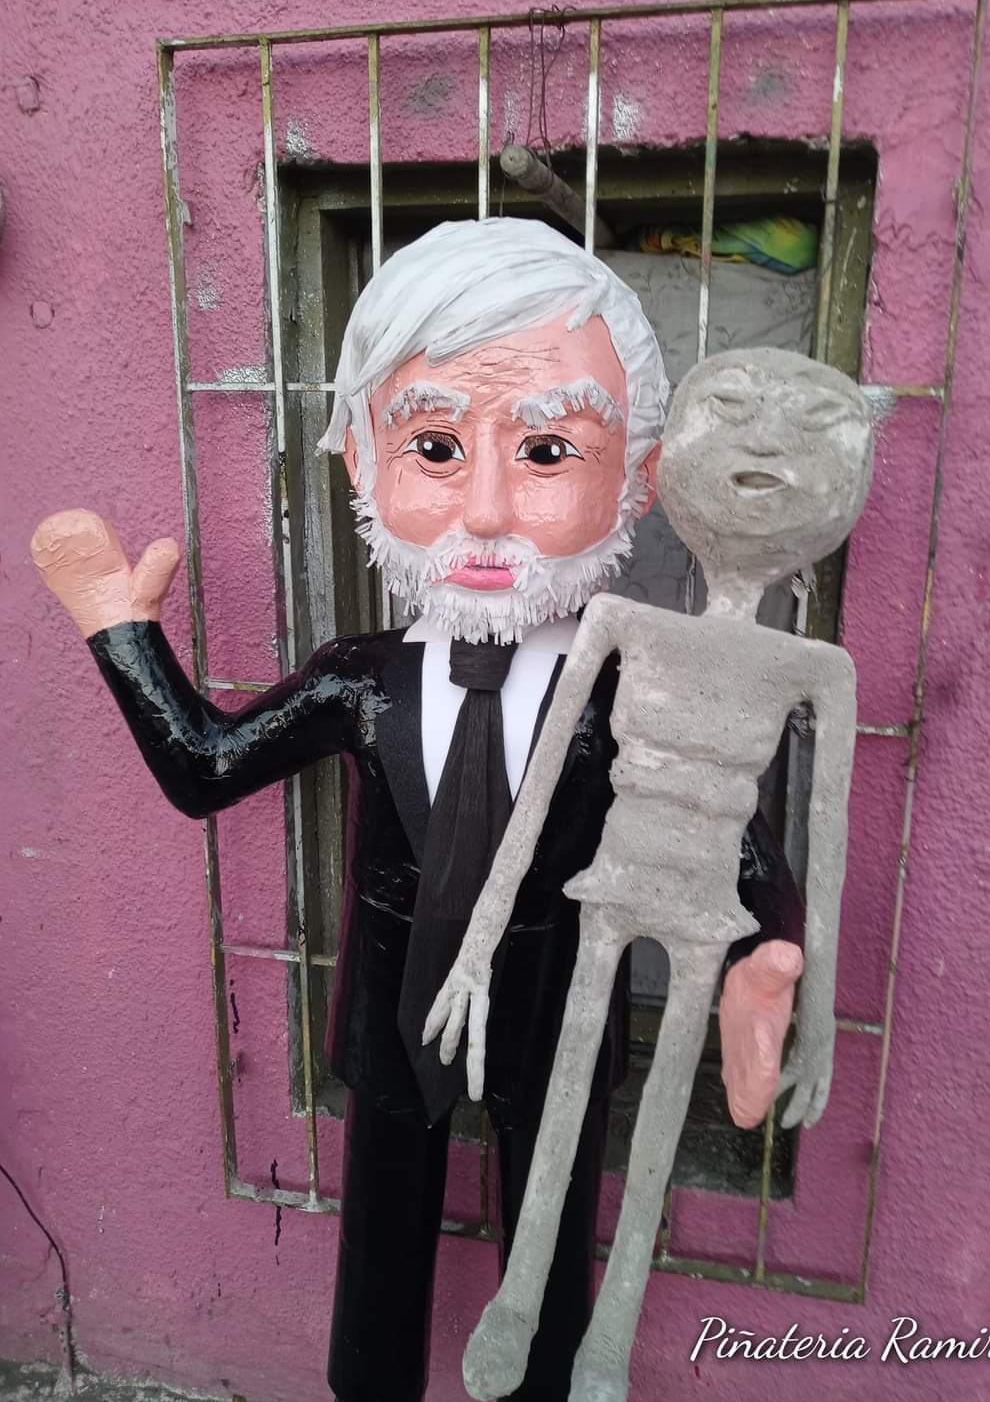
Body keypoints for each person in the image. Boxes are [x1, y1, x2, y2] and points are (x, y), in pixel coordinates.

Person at [30, 217, 804, 1402]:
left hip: (559, 1014)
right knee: (378, 1248)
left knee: (549, 1246)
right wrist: (120, 633)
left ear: (638, 475)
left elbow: (731, 842)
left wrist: (763, 960)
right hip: (395, 1009)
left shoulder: (631, 691)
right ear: (361, 460)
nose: (486, 509)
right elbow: (207, 768)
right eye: (435, 447)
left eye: (547, 451)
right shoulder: (361, 679)